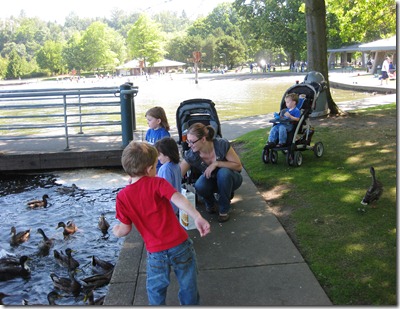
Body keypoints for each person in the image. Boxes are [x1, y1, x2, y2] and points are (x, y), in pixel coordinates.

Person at [113, 141, 210, 305]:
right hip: (180, 245)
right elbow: (178, 198)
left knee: (155, 289)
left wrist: (115, 230)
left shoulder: (122, 197)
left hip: (156, 252)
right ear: (150, 169)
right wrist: (196, 216)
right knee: (188, 284)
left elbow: (125, 229)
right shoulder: (158, 183)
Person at [180, 123, 243, 223]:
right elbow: (178, 174)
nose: (189, 145)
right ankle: (210, 203)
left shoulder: (221, 144)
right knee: (199, 185)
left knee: (223, 173)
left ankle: (224, 209)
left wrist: (217, 163)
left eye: (192, 142)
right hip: (211, 180)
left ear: (203, 139)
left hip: (231, 178)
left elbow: (238, 166)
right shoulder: (192, 154)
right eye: (187, 141)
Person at [155, 137, 182, 216]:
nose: (158, 158)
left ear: (167, 155)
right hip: (176, 203)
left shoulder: (165, 168)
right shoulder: (176, 165)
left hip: (167, 206)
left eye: (159, 154)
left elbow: (163, 188)